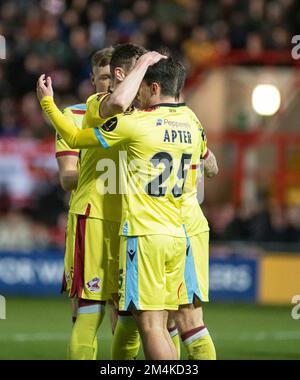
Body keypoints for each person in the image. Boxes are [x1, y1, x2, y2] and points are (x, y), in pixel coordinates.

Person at [37, 55, 207, 360]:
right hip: (167, 229)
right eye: (103, 77)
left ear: (149, 85)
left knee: (150, 324)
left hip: (141, 232)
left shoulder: (136, 121)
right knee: (150, 320)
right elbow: (208, 164)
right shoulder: (191, 121)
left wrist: (46, 103)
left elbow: (78, 135)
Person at [56, 47, 114, 359]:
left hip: (131, 222)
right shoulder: (74, 116)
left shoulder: (136, 115)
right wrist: (103, 173)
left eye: (115, 76)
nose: (110, 83)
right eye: (103, 77)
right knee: (85, 309)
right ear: (92, 80)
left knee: (129, 314)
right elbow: (67, 177)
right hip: (88, 218)